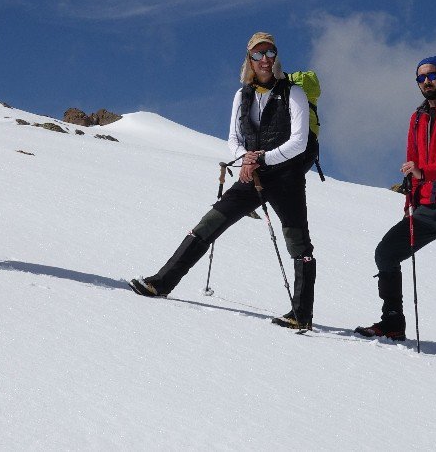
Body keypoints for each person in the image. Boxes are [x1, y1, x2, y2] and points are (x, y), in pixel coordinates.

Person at [130, 32, 318, 330]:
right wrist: (246, 158)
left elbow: (300, 141)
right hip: (253, 173)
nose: (265, 59)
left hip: (286, 176)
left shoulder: (293, 93)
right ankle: (161, 283)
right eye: (258, 54)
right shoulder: (241, 95)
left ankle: (302, 315)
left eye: (270, 53)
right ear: (249, 59)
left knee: (298, 244)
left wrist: (261, 159)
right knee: (209, 224)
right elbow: (233, 138)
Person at [355, 55, 436, 360]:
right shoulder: (417, 118)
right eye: (421, 78)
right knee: (386, 253)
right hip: (426, 206)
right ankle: (392, 322)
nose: (426, 81)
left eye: (432, 75)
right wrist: (411, 199)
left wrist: (424, 173)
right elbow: (410, 164)